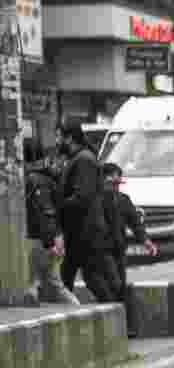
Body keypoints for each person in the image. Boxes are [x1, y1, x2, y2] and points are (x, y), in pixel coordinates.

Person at [56, 119, 121, 303]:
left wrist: (57, 204)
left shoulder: (84, 160)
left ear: (68, 138)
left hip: (85, 233)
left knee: (90, 278)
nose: (56, 141)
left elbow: (82, 197)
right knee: (70, 279)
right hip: (80, 232)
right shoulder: (79, 158)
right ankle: (114, 314)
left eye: (58, 136)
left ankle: (114, 314)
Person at [102, 162, 158, 337]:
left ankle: (126, 328)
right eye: (112, 183)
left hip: (119, 250)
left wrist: (146, 242)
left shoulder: (123, 200)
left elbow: (135, 224)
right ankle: (114, 326)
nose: (115, 187)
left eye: (118, 184)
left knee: (120, 288)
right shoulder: (97, 200)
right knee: (114, 284)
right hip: (102, 251)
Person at [23, 138, 79, 305]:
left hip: (40, 239)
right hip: (45, 237)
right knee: (48, 282)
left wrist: (51, 241)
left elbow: (46, 211)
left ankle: (75, 308)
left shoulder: (34, 179)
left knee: (45, 283)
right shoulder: (43, 177)